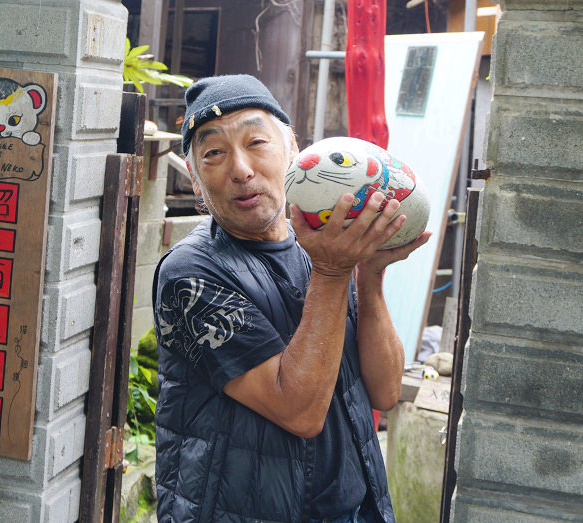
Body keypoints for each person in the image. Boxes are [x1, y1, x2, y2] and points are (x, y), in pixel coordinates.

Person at [152, 74, 430, 523]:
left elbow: (385, 389)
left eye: (257, 142)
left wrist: (370, 273)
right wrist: (334, 272)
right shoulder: (191, 274)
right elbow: (299, 412)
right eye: (214, 154)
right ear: (197, 184)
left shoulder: (320, 247)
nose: (241, 169)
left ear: (292, 154)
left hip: (353, 508)